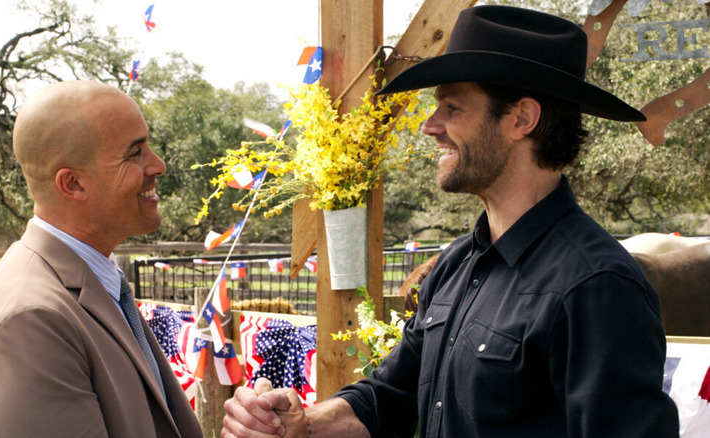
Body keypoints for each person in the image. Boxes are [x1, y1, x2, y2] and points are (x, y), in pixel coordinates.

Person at [221, 5, 679, 437]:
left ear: (522, 117)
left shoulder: (596, 284)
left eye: (452, 108)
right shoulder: (456, 266)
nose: (430, 126)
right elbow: (391, 396)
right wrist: (299, 422)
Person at [0, 81, 203, 438]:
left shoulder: (91, 282)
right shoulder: (30, 319)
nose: (158, 165)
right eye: (135, 153)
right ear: (72, 184)